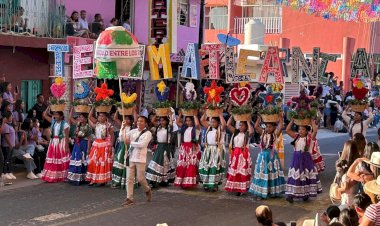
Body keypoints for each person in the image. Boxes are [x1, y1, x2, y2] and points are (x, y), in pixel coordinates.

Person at [285, 119, 322, 203]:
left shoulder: (310, 138)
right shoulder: (296, 137)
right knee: (295, 176)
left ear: (307, 131)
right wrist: (292, 120)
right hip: (296, 159)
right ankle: (290, 195)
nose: (300, 131)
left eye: (303, 129)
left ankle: (305, 194)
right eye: (299, 129)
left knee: (305, 176)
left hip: (306, 159)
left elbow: (315, 130)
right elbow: (287, 130)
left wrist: (311, 120)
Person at [249, 115, 285, 199]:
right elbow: (256, 126)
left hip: (271, 156)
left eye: (270, 127)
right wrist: (259, 118)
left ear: (274, 127)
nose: (268, 128)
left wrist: (280, 119)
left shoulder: (275, 133)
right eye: (267, 126)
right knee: (261, 174)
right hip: (262, 156)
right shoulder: (263, 132)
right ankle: (260, 192)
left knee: (270, 174)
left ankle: (271, 191)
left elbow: (281, 126)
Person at [123, 116, 152, 206]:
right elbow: (122, 138)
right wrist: (123, 128)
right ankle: (129, 198)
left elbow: (142, 144)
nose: (139, 123)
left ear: (145, 123)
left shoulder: (148, 133)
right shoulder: (133, 131)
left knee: (140, 178)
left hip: (140, 158)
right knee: (129, 179)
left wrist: (130, 143)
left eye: (141, 121)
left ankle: (147, 189)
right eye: (138, 121)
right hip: (130, 157)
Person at [225, 116, 253, 195]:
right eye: (240, 125)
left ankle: (241, 189)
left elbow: (251, 131)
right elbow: (228, 125)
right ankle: (235, 186)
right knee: (234, 171)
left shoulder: (247, 134)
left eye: (242, 125)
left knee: (241, 171)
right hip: (235, 154)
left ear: (246, 127)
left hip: (243, 154)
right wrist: (232, 116)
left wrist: (248, 121)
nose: (240, 127)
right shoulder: (236, 132)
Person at [40, 107, 70, 182]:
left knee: (60, 159)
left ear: (61, 116)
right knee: (53, 159)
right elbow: (44, 115)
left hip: (61, 142)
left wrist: (66, 146)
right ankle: (52, 176)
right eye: (54, 115)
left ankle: (62, 176)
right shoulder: (53, 122)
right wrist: (49, 106)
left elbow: (66, 136)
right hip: (53, 142)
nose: (55, 116)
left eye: (57, 115)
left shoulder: (65, 124)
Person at [86, 107, 114, 186]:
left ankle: (102, 180)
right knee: (93, 162)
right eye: (99, 116)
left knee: (102, 163)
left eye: (102, 116)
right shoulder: (96, 125)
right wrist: (93, 107)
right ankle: (93, 179)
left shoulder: (108, 126)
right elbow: (89, 117)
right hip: (96, 145)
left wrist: (111, 146)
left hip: (104, 145)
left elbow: (112, 136)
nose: (101, 117)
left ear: (106, 117)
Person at [199, 113, 227, 191]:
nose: (212, 123)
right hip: (208, 150)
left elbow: (224, 124)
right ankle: (206, 184)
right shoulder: (209, 128)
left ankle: (214, 185)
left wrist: (219, 114)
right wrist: (207, 112)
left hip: (217, 150)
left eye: (214, 122)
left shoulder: (221, 129)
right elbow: (202, 120)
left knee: (214, 167)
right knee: (206, 167)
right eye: (211, 122)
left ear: (218, 123)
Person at [146, 115, 176, 187]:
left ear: (166, 121)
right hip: (159, 147)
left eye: (163, 120)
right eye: (160, 120)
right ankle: (153, 181)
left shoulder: (168, 128)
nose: (161, 122)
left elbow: (171, 124)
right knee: (155, 162)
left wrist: (170, 114)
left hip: (165, 147)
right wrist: (156, 114)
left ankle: (163, 180)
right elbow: (151, 122)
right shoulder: (158, 127)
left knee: (164, 164)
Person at [174, 113, 201, 188]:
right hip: (184, 148)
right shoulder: (184, 128)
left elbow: (197, 124)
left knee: (191, 165)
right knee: (182, 165)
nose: (188, 122)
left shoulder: (196, 129)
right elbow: (177, 122)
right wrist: (181, 114)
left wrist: (194, 114)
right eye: (186, 121)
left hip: (192, 148)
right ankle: (183, 182)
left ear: (192, 121)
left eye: (189, 120)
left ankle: (189, 182)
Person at [67, 110, 92, 185]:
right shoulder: (78, 124)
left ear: (85, 118)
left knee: (82, 160)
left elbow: (89, 139)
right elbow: (70, 118)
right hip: (77, 144)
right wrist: (72, 109)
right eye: (79, 117)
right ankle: (75, 178)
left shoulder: (88, 127)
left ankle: (83, 178)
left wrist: (88, 149)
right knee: (76, 159)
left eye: (81, 117)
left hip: (84, 144)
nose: (80, 118)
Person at [111, 113, 136, 189]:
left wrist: (133, 110)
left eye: (128, 119)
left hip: (128, 147)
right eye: (126, 119)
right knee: (117, 163)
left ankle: (124, 182)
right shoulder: (122, 125)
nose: (126, 120)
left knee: (125, 164)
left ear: (131, 121)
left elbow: (136, 119)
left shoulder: (133, 128)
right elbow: (115, 118)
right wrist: (118, 109)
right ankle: (117, 181)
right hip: (120, 146)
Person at [1, 112, 17, 180]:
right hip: (7, 146)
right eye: (11, 116)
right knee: (6, 159)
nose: (12, 118)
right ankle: (5, 172)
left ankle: (9, 171)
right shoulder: (5, 126)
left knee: (10, 159)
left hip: (11, 146)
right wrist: (10, 144)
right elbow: (6, 136)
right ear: (7, 117)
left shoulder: (10, 125)